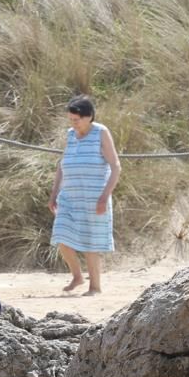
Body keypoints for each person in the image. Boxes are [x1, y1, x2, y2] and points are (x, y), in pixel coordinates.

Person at [49, 95, 122, 296]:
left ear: (89, 117)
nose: (74, 123)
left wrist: (105, 196)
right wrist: (54, 194)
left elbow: (116, 166)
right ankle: (77, 276)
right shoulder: (71, 134)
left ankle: (95, 287)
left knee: (91, 242)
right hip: (69, 196)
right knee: (61, 236)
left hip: (93, 196)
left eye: (77, 119)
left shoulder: (100, 132)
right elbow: (62, 166)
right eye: (71, 119)